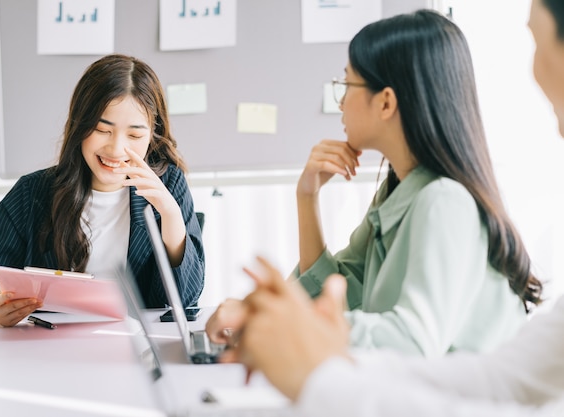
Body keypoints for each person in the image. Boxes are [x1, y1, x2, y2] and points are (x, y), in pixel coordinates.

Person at [221, 0, 564, 415]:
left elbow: (413, 342)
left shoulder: (444, 199)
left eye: (346, 85)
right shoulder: (401, 190)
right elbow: (338, 289)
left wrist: (292, 327)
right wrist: (306, 198)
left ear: (386, 103)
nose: (340, 102)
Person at [0, 54, 205, 327]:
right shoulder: (31, 193)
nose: (116, 150)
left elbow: (184, 302)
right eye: (103, 130)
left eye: (135, 135)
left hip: (136, 353)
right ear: (80, 125)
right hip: (49, 352)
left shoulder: (169, 185)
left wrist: (171, 216)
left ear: (152, 134)